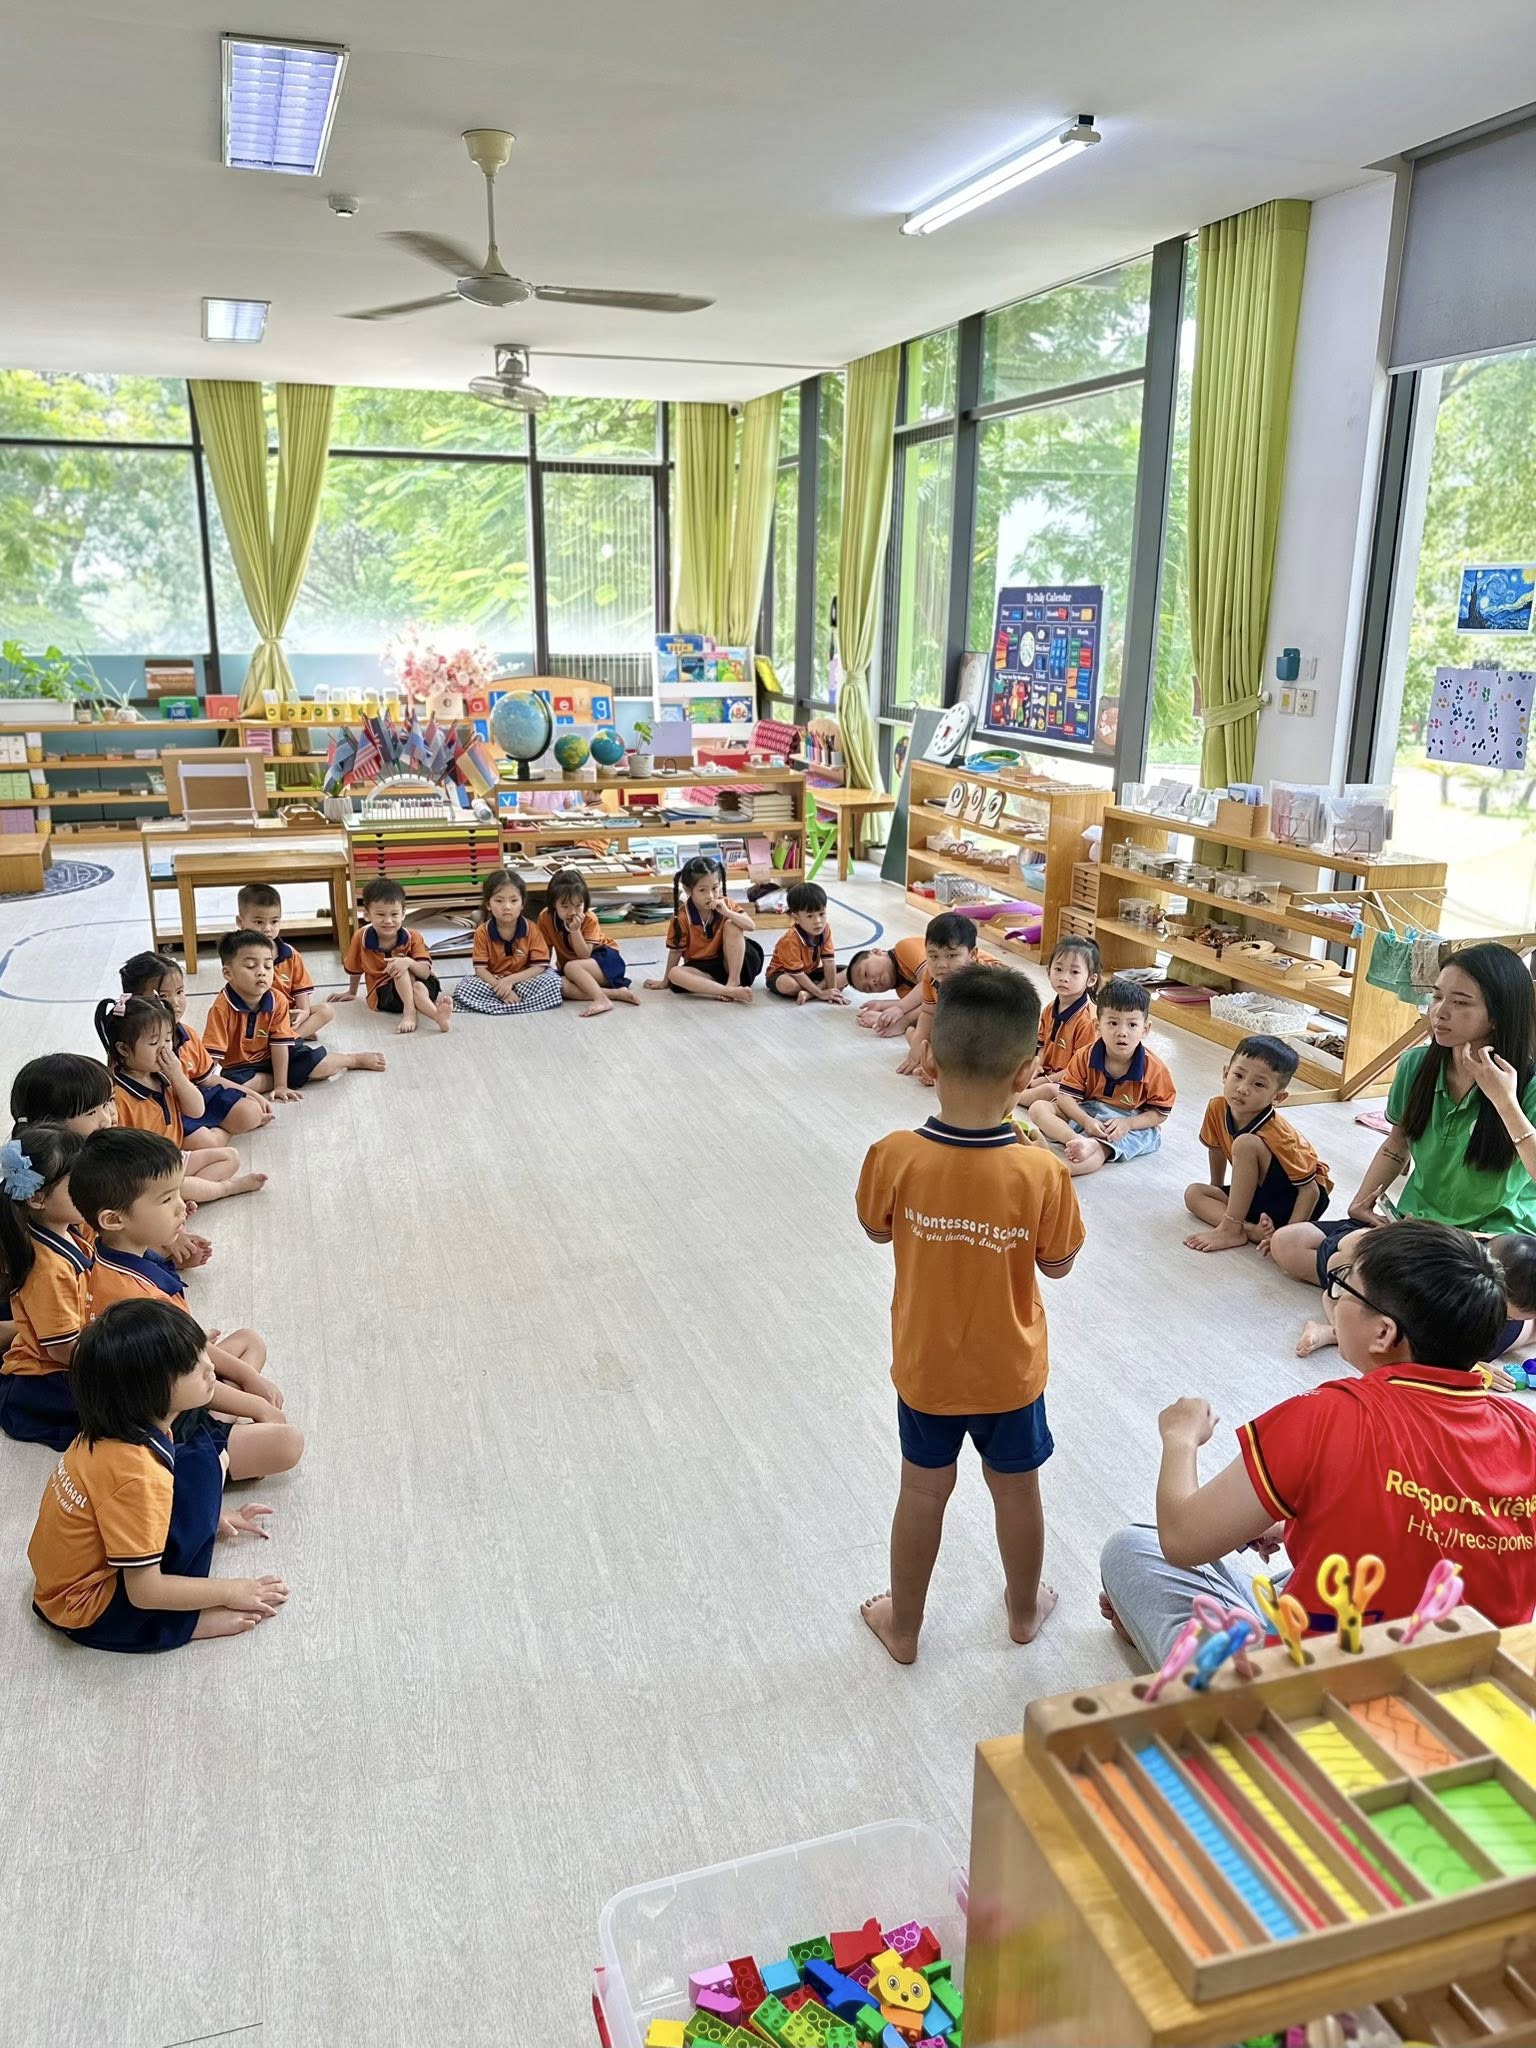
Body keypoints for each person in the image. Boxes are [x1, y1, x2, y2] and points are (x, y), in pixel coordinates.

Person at [1098, 1222, 1536, 1669]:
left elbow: (1183, 1539)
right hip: (1482, 1689)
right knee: (1332, 1574)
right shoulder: (1526, 1429)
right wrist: (1296, 1523)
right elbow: (1436, 1526)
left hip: (1318, 1694)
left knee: (1133, 1550)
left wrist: (1181, 1438)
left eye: (1344, 1287)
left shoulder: (1328, 1415)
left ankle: (1169, 1640)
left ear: (1383, 1333)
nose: (1335, 1298)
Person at [855, 964, 1085, 1664]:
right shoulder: (1042, 1170)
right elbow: (1058, 1265)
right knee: (1016, 1492)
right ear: (1026, 1073)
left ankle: (904, 1628)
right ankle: (1023, 1611)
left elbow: (876, 1230)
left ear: (929, 1056)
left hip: (927, 1366)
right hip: (1009, 1372)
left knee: (922, 1491)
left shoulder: (894, 1154)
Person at [1267, 945, 1536, 1356]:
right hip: (1416, 1226)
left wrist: (1504, 1101)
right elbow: (1397, 1144)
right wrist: (1361, 1200)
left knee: (1470, 1319)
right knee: (1290, 1243)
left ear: (1497, 1014)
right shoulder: (1416, 1066)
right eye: (1437, 996)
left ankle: (1354, 1313)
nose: (1439, 1011)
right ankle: (1381, 1313)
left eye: (1460, 1002)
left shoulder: (1526, 1086)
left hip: (1485, 1244)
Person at [27, 1301, 292, 1652]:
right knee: (204, 1465)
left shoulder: (112, 1432)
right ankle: (181, 1623)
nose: (210, 1366)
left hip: (63, 1581)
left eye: (201, 1352)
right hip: (89, 1608)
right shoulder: (137, 1474)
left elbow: (116, 1514)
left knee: (200, 1463)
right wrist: (234, 1590)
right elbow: (145, 1591)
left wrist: (214, 1516)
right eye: (191, 1365)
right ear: (147, 1392)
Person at [70, 1130, 289, 1431]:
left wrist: (247, 1379)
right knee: (283, 1443)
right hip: (159, 1407)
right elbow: (181, 1381)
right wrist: (258, 1405)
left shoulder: (119, 1253)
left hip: (177, 1373)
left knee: (249, 1342)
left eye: (178, 1193)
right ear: (114, 1219)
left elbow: (189, 1354)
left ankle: (224, 1417)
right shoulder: (132, 1298)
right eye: (166, 1199)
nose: (182, 1206)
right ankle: (215, 1429)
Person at [9, 1052, 213, 1273]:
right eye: (91, 1112)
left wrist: (168, 1227)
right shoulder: (61, 1182)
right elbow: (99, 1242)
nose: (108, 1118)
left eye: (110, 1102)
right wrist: (162, 1239)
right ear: (50, 1123)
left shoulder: (94, 1153)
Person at [93, 994, 265, 1205]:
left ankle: (178, 1199)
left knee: (230, 1157)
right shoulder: (117, 1095)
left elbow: (197, 1110)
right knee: (176, 1186)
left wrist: (177, 1075)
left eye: (167, 1040)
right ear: (123, 1049)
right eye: (154, 1042)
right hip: (145, 1174)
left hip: (173, 1158)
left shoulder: (164, 1076)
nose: (164, 1048)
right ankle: (222, 1189)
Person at [1183, 1036, 1330, 1253]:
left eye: (1259, 1084)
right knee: (1194, 1193)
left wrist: (1286, 1237)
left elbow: (1310, 1191)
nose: (1243, 1088)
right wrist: (1217, 1190)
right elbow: (1216, 1150)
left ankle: (1232, 1228)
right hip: (1257, 1196)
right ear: (1225, 1073)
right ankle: (1250, 1231)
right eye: (1238, 1075)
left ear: (1278, 1097)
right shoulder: (1217, 1107)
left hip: (1294, 1202)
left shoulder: (1279, 1134)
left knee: (1245, 1143)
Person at [207, 930, 385, 1097]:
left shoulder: (277, 999)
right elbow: (212, 1056)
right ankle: (287, 1077)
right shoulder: (221, 1008)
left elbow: (279, 1045)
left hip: (282, 1054)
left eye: (268, 966)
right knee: (234, 1086)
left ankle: (352, 1060)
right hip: (242, 1067)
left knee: (322, 1068)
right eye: (251, 966)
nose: (261, 972)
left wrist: (281, 1086)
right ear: (228, 973)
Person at [0, 1126, 92, 1448]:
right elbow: (62, 1350)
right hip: (48, 1375)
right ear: (37, 1198)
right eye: (79, 1184)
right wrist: (120, 1360)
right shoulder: (49, 1271)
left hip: (78, 1346)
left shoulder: (66, 1228)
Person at [1029, 976, 1176, 1176]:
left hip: (1129, 1122)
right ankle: (1077, 1141)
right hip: (1089, 1111)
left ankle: (1060, 1170)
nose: (1122, 1032)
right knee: (1038, 1108)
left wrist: (1128, 1124)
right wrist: (1085, 1121)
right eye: (1113, 1023)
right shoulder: (1085, 1055)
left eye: (1132, 1025)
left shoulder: (1155, 1068)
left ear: (1145, 1029)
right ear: (1097, 1026)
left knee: (1102, 1149)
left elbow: (1160, 1113)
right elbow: (1065, 1097)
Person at [118, 951, 271, 1138]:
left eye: (179, 992)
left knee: (250, 1112)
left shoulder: (187, 1034)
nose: (175, 1003)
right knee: (206, 1140)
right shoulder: (132, 1047)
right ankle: (216, 1137)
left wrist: (250, 1093)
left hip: (192, 1098)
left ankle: (217, 1134)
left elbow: (206, 1078)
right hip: (165, 1113)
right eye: (163, 996)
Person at [339, 880, 453, 1035]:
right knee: (400, 969)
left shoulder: (413, 936)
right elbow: (354, 968)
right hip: (386, 996)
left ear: (403, 914)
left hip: (425, 985)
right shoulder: (361, 937)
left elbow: (425, 973)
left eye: (394, 914)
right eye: (380, 914)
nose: (388, 921)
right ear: (367, 915)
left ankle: (426, 1015)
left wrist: (408, 961)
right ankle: (422, 1013)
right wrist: (352, 992)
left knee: (416, 983)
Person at [644, 856, 763, 1003]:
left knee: (732, 924)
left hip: (736, 964)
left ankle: (733, 982)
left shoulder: (725, 904)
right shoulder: (681, 917)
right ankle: (727, 990)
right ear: (688, 890)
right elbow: (675, 952)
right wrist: (664, 982)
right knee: (674, 974)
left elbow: (751, 926)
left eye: (715, 888)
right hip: (703, 970)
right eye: (702, 890)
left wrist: (727, 912)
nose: (710, 896)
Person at [454, 868, 566, 1017]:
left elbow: (539, 966)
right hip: (494, 981)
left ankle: (500, 1006)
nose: (507, 907)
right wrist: (501, 989)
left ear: (522, 903)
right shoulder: (483, 931)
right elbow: (480, 970)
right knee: (464, 989)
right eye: (499, 901)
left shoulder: (531, 928)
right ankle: (521, 1004)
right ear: (488, 904)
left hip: (524, 978)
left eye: (513, 901)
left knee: (552, 982)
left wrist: (510, 981)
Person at [234, 883, 334, 1041]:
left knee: (326, 1010)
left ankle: (289, 1038)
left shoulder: (290, 954)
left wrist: (303, 1014)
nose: (268, 929)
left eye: (274, 921)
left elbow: (301, 992)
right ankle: (292, 1038)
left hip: (288, 1014)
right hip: (257, 1017)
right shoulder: (237, 955)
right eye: (259, 922)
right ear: (241, 922)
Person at [535, 867, 638, 1018]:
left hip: (604, 961)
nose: (572, 912)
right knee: (557, 984)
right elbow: (545, 953)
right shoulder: (545, 917)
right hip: (575, 970)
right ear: (553, 904)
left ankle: (601, 999)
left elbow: (584, 955)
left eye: (578, 905)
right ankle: (615, 994)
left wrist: (575, 930)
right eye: (565, 906)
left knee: (571, 967)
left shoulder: (589, 918)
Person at [1015, 936, 1101, 1114]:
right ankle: (1017, 1091)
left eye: (1074, 972)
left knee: (1049, 1091)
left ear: (1091, 979)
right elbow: (1042, 1044)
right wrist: (1037, 1066)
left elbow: (1079, 1069)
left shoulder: (1087, 1021)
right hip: (1048, 1073)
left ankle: (1012, 1097)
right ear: (1048, 972)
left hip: (1073, 1082)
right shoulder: (1049, 1008)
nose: (1064, 978)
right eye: (1058, 969)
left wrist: (1046, 1080)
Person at [894, 913, 980, 1082]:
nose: (941, 965)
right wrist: (916, 1052)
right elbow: (928, 1014)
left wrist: (939, 1066)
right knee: (920, 1040)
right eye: (934, 956)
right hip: (953, 1032)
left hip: (987, 1038)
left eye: (952, 956)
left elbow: (975, 1035)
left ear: (973, 954)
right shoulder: (931, 977)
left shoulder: (980, 985)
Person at [768, 882, 844, 1004]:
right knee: (786, 984)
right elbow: (797, 974)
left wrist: (833, 991)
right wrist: (821, 993)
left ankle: (808, 994)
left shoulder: (825, 929)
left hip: (808, 972)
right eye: (810, 916)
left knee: (848, 971)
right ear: (796, 918)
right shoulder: (790, 939)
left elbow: (829, 961)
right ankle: (817, 989)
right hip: (784, 974)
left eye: (821, 914)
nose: (818, 921)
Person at [850, 936, 929, 1029]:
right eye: (869, 988)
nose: (872, 982)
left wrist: (900, 1010)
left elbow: (931, 980)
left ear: (876, 952)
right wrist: (883, 1007)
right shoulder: (902, 990)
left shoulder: (904, 947)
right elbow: (929, 1006)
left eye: (866, 973)